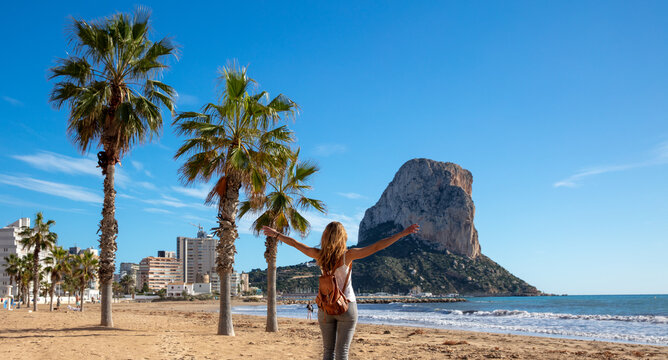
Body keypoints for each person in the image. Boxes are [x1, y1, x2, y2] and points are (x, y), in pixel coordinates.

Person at [263, 221, 419, 360]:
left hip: (325, 307)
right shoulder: (348, 256)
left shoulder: (319, 256)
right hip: (347, 306)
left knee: (327, 351)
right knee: (342, 352)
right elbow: (378, 246)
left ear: (325, 237)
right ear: (342, 237)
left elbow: (296, 243)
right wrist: (403, 233)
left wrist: (276, 234)